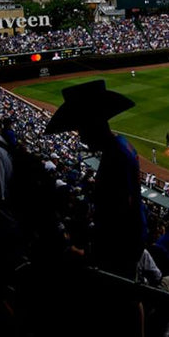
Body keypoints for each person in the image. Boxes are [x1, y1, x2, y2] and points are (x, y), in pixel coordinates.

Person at [47, 79, 144, 276]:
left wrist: (90, 254)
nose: (81, 137)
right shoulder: (120, 145)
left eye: (82, 129)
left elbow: (119, 215)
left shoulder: (115, 156)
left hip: (119, 251)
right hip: (127, 243)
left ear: (93, 125)